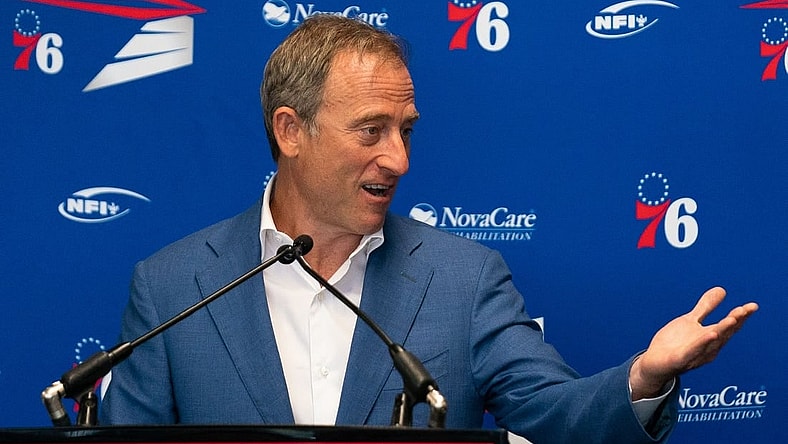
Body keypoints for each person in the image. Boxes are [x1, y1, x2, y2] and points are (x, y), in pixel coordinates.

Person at [99, 15, 758, 444]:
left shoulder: (463, 279)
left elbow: (561, 420)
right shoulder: (173, 286)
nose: (399, 160)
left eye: (406, 130)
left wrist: (644, 376)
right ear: (291, 130)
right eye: (372, 131)